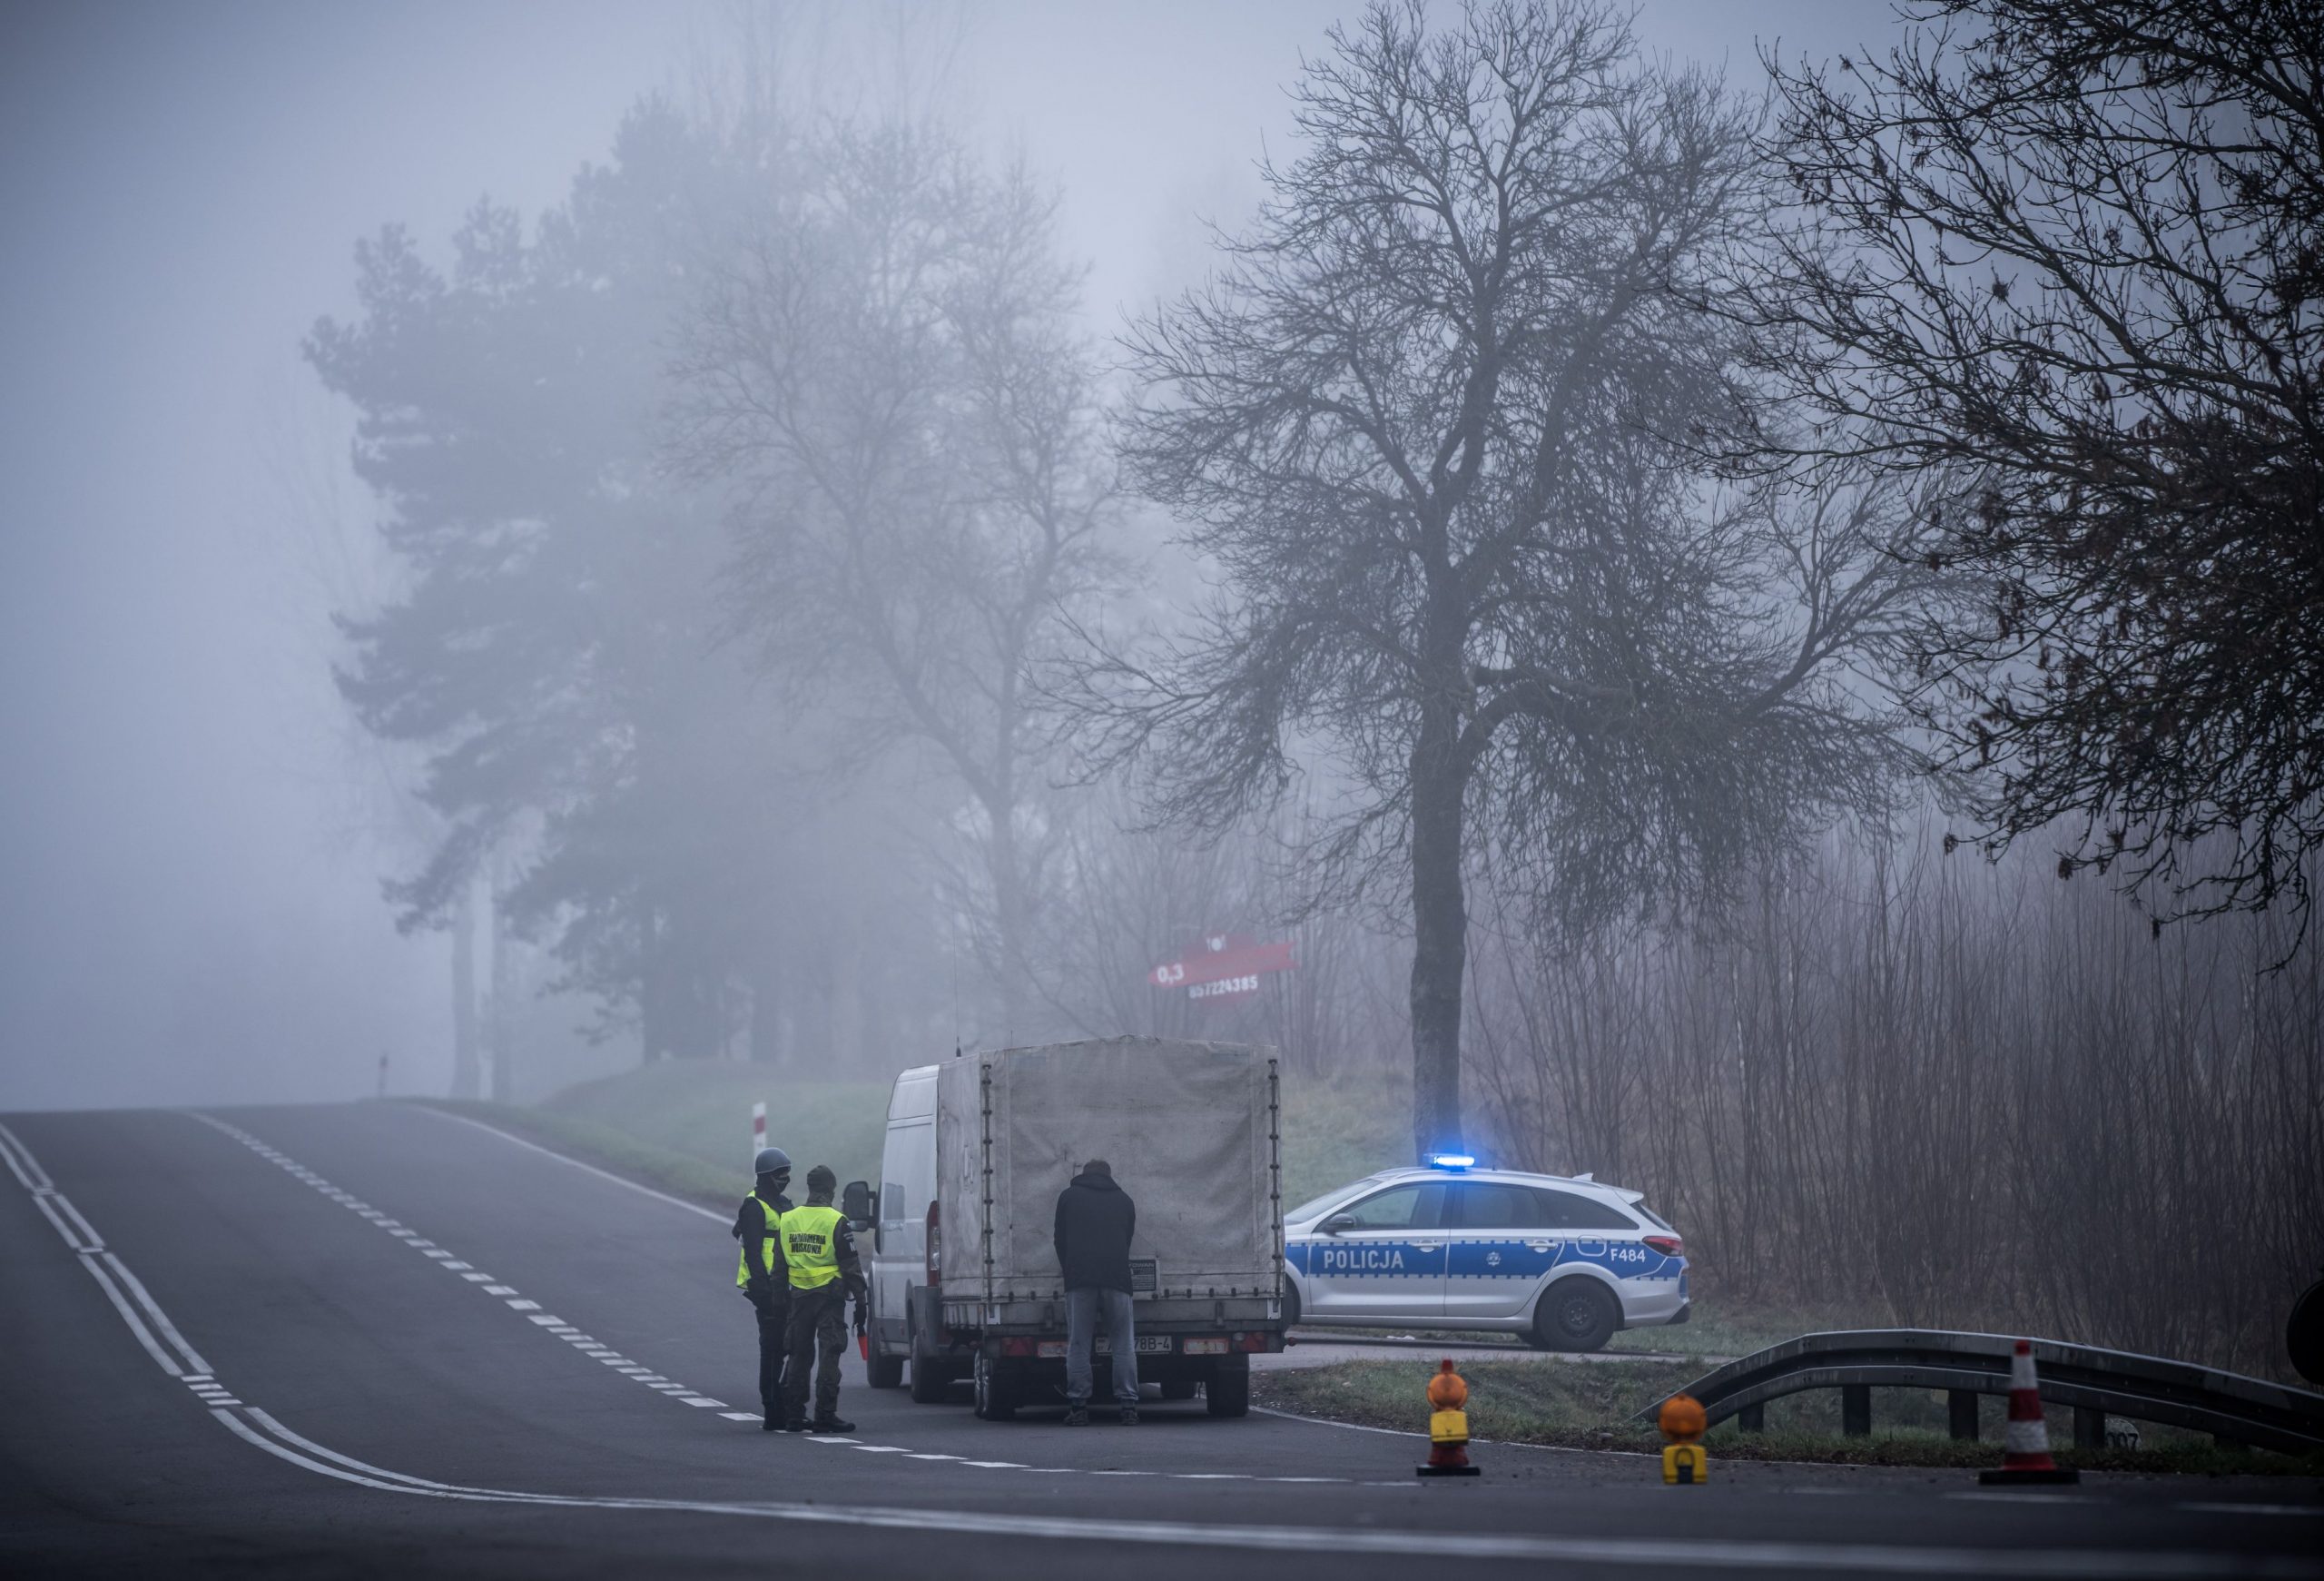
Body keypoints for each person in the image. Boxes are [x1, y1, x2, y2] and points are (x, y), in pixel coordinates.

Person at [778, 1164, 865, 1433]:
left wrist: (777, 1303)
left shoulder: (788, 1219)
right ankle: (825, 1414)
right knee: (830, 1354)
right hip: (829, 1298)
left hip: (798, 1298)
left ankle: (794, 1415)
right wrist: (862, 1302)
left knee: (799, 1355)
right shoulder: (836, 1220)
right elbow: (850, 1266)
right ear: (830, 1189)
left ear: (810, 1188)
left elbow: (778, 1269)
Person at [1053, 1157, 1138, 1426]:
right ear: (1109, 1175)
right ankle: (1128, 1406)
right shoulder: (1124, 1200)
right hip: (1117, 1278)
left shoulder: (1068, 1197)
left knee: (1079, 1343)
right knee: (1123, 1344)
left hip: (1080, 1279)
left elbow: (1059, 1239)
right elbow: (1127, 1239)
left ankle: (1079, 1406)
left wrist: (1070, 1268)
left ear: (1083, 1174)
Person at [732, 1146, 793, 1430]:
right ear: (766, 1176)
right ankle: (772, 1408)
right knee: (771, 1349)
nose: (785, 1179)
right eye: (780, 1175)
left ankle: (787, 1403)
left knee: (790, 1346)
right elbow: (753, 1253)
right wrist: (764, 1294)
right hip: (767, 1288)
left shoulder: (785, 1204)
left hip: (789, 1286)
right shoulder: (754, 1206)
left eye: (787, 1174)